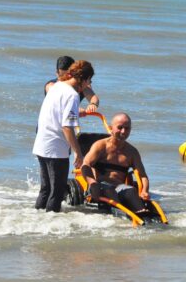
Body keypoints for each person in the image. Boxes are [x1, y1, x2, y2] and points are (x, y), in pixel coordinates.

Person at [33, 60, 94, 212]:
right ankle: (51, 229)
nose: (89, 85)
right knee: (57, 192)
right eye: (89, 81)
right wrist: (78, 153)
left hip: (41, 143)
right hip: (56, 149)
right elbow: (67, 127)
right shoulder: (72, 95)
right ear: (84, 79)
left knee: (45, 189)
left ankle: (36, 219)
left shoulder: (57, 86)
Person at [80, 113, 150, 215]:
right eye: (120, 127)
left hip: (119, 187)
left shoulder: (132, 152)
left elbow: (143, 176)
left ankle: (143, 214)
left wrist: (144, 191)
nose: (123, 131)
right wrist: (92, 183)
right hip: (100, 186)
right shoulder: (100, 146)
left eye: (127, 128)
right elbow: (85, 165)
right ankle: (126, 212)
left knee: (131, 190)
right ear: (110, 128)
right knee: (110, 191)